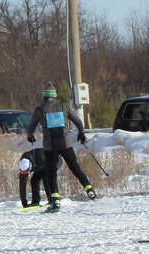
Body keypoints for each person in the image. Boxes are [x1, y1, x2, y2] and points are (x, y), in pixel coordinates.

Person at [25, 81, 96, 211]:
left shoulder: (40, 110)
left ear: (44, 96)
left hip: (49, 146)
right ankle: (90, 191)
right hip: (65, 143)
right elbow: (78, 122)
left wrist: (30, 135)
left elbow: (31, 127)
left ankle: (55, 200)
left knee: (51, 173)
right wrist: (81, 134)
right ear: (55, 96)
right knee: (75, 168)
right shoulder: (64, 106)